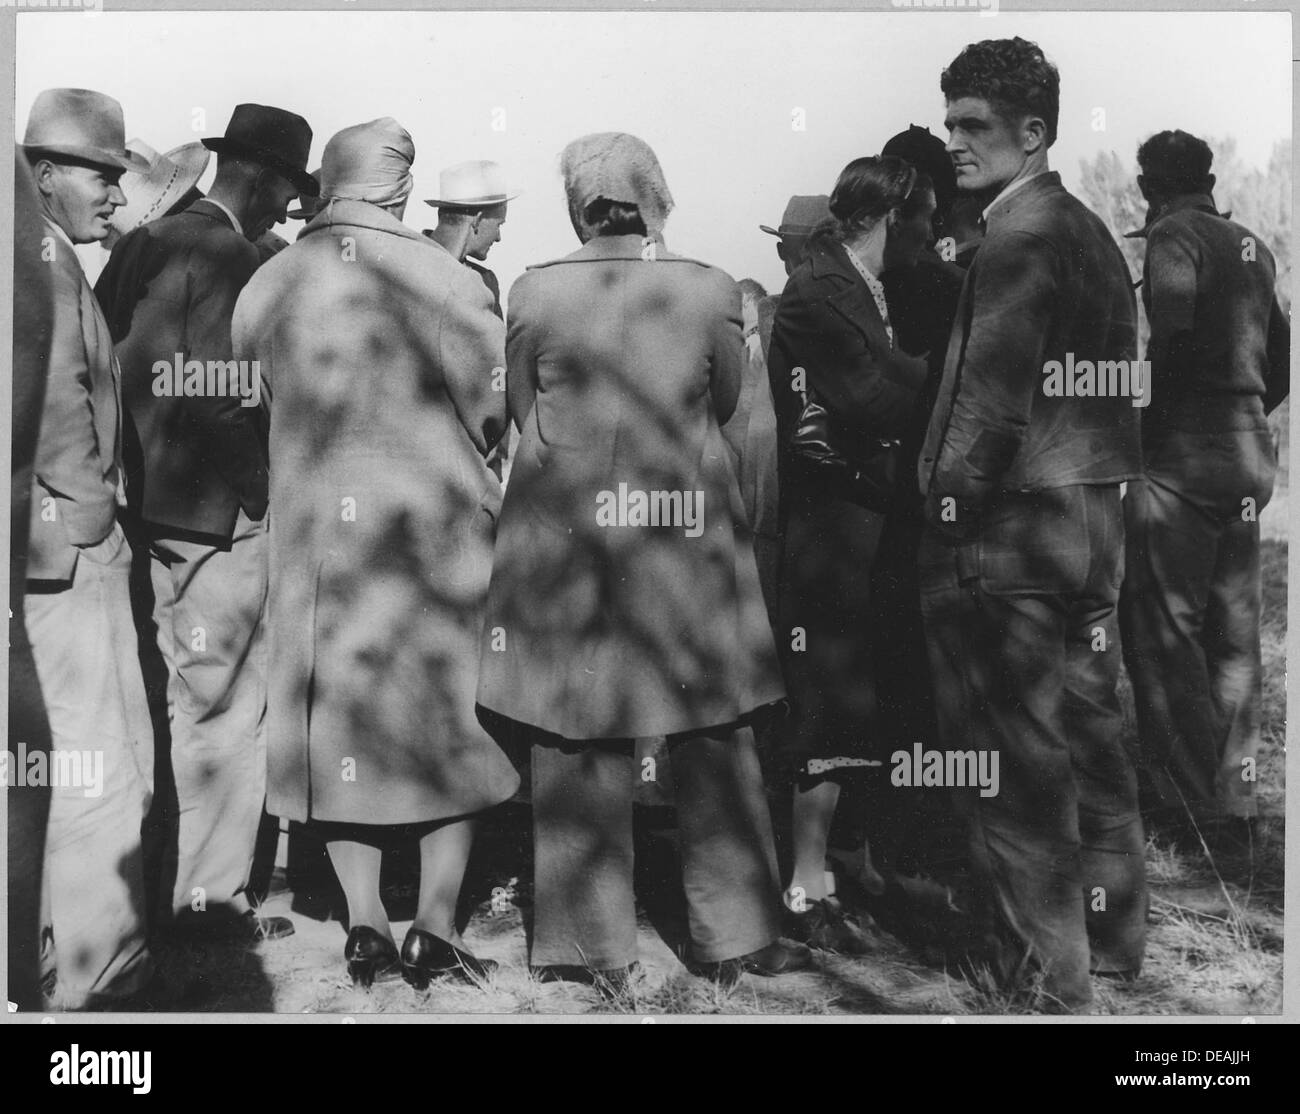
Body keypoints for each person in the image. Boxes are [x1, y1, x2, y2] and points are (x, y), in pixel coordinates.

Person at [476, 131, 809, 990]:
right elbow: (733, 402)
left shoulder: (534, 292)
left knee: (575, 737)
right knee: (715, 725)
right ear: (655, 197)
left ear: (577, 206)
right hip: (687, 540)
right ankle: (736, 934)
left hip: (569, 548)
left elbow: (521, 412)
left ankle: (587, 949)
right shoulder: (704, 289)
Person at [232, 117, 520, 989]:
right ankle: (432, 925)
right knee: (450, 730)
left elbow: (251, 405)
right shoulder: (447, 280)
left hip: (319, 552)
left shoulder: (269, 281)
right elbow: (491, 413)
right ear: (400, 190)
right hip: (433, 549)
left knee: (340, 730)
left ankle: (362, 924)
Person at [918, 37, 1146, 1010]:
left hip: (1013, 534)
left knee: (1017, 764)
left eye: (973, 126)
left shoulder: (1016, 238)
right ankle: (1115, 944)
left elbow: (990, 410)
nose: (954, 142)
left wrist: (946, 512)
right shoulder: (1091, 231)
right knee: (1096, 736)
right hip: (1092, 521)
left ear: (1034, 132)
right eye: (949, 122)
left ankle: (1046, 980)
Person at [93, 103, 317, 943]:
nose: (285, 214)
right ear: (259, 179)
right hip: (218, 520)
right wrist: (262, 489)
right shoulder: (226, 253)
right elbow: (220, 397)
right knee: (223, 712)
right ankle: (208, 907)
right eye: (286, 196)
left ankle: (160, 891)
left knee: (167, 704)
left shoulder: (147, 242)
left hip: (148, 507)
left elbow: (114, 368)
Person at [766, 157, 932, 953]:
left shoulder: (860, 285)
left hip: (869, 525)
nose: (930, 237)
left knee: (862, 708)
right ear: (891, 216)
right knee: (824, 711)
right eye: (923, 219)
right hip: (834, 531)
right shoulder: (817, 292)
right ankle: (802, 890)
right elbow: (868, 395)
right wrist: (951, 378)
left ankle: (841, 869)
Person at [19, 87, 156, 1009]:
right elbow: (64, 405)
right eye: (99, 174)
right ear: (43, 176)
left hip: (37, 552)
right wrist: (89, 520)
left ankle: (42, 962)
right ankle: (99, 983)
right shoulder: (47, 265)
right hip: (67, 557)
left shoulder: (41, 258)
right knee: (100, 768)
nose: (115, 192)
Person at [1119, 130, 1290, 836]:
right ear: (1209, 176)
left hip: (1185, 449)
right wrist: (1244, 409)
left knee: (1166, 630)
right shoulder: (1251, 245)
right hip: (1248, 449)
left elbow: (1173, 340)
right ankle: (1236, 794)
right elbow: (1282, 355)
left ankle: (1185, 801)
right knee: (1234, 631)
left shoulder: (1173, 236)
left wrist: (1147, 427)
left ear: (1147, 186)